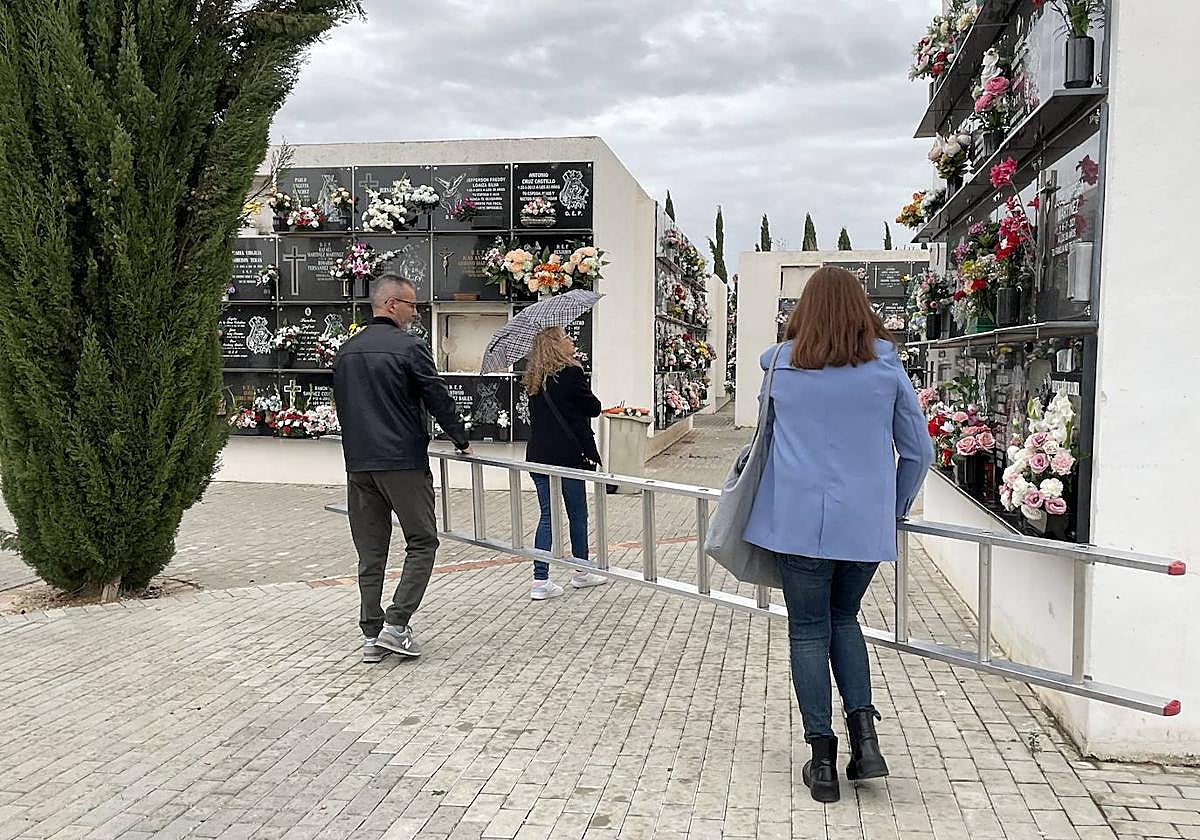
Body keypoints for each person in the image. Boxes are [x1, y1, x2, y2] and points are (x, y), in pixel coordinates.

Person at [744, 266, 933, 803]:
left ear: (804, 308)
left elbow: (763, 438)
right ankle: (866, 744)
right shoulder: (886, 369)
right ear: (861, 308)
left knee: (808, 630)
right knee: (844, 619)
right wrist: (889, 508)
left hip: (795, 522)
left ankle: (822, 762)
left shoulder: (779, 366)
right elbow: (918, 451)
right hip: (862, 523)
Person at [333, 275, 472, 664]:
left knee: (371, 551)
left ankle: (370, 634)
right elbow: (437, 396)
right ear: (392, 304)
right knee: (423, 540)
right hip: (402, 463)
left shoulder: (347, 351)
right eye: (412, 305)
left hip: (359, 465)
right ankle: (397, 625)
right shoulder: (410, 348)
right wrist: (460, 437)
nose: (416, 312)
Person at [523, 327, 609, 600]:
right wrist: (579, 371)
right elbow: (593, 407)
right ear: (555, 346)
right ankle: (581, 571)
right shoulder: (572, 374)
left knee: (547, 516)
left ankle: (540, 580)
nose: (571, 340)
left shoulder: (534, 378)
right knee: (577, 513)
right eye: (565, 337)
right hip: (568, 457)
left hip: (538, 455)